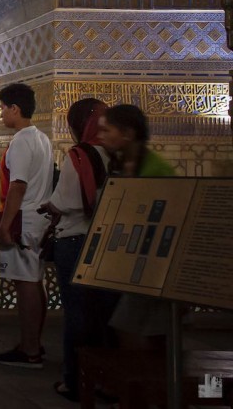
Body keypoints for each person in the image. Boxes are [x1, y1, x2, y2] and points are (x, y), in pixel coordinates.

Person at [41, 98, 116, 401]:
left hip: (73, 242)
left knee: (77, 316)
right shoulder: (117, 154)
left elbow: (63, 201)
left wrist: (49, 206)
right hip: (108, 243)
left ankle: (75, 380)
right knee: (105, 316)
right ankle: (107, 382)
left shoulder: (79, 156)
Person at [98, 103, 175, 349]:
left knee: (142, 331)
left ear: (127, 134)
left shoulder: (156, 170)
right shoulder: (122, 164)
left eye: (107, 130)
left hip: (154, 263)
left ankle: (150, 384)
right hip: (134, 261)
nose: (101, 137)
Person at [0, 82, 54, 369]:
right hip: (38, 219)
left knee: (26, 283)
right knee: (34, 280)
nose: (1, 114)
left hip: (24, 219)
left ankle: (29, 350)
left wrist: (5, 227)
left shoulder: (21, 141)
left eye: (2, 108)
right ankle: (33, 343)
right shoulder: (41, 138)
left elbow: (17, 185)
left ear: (15, 109)